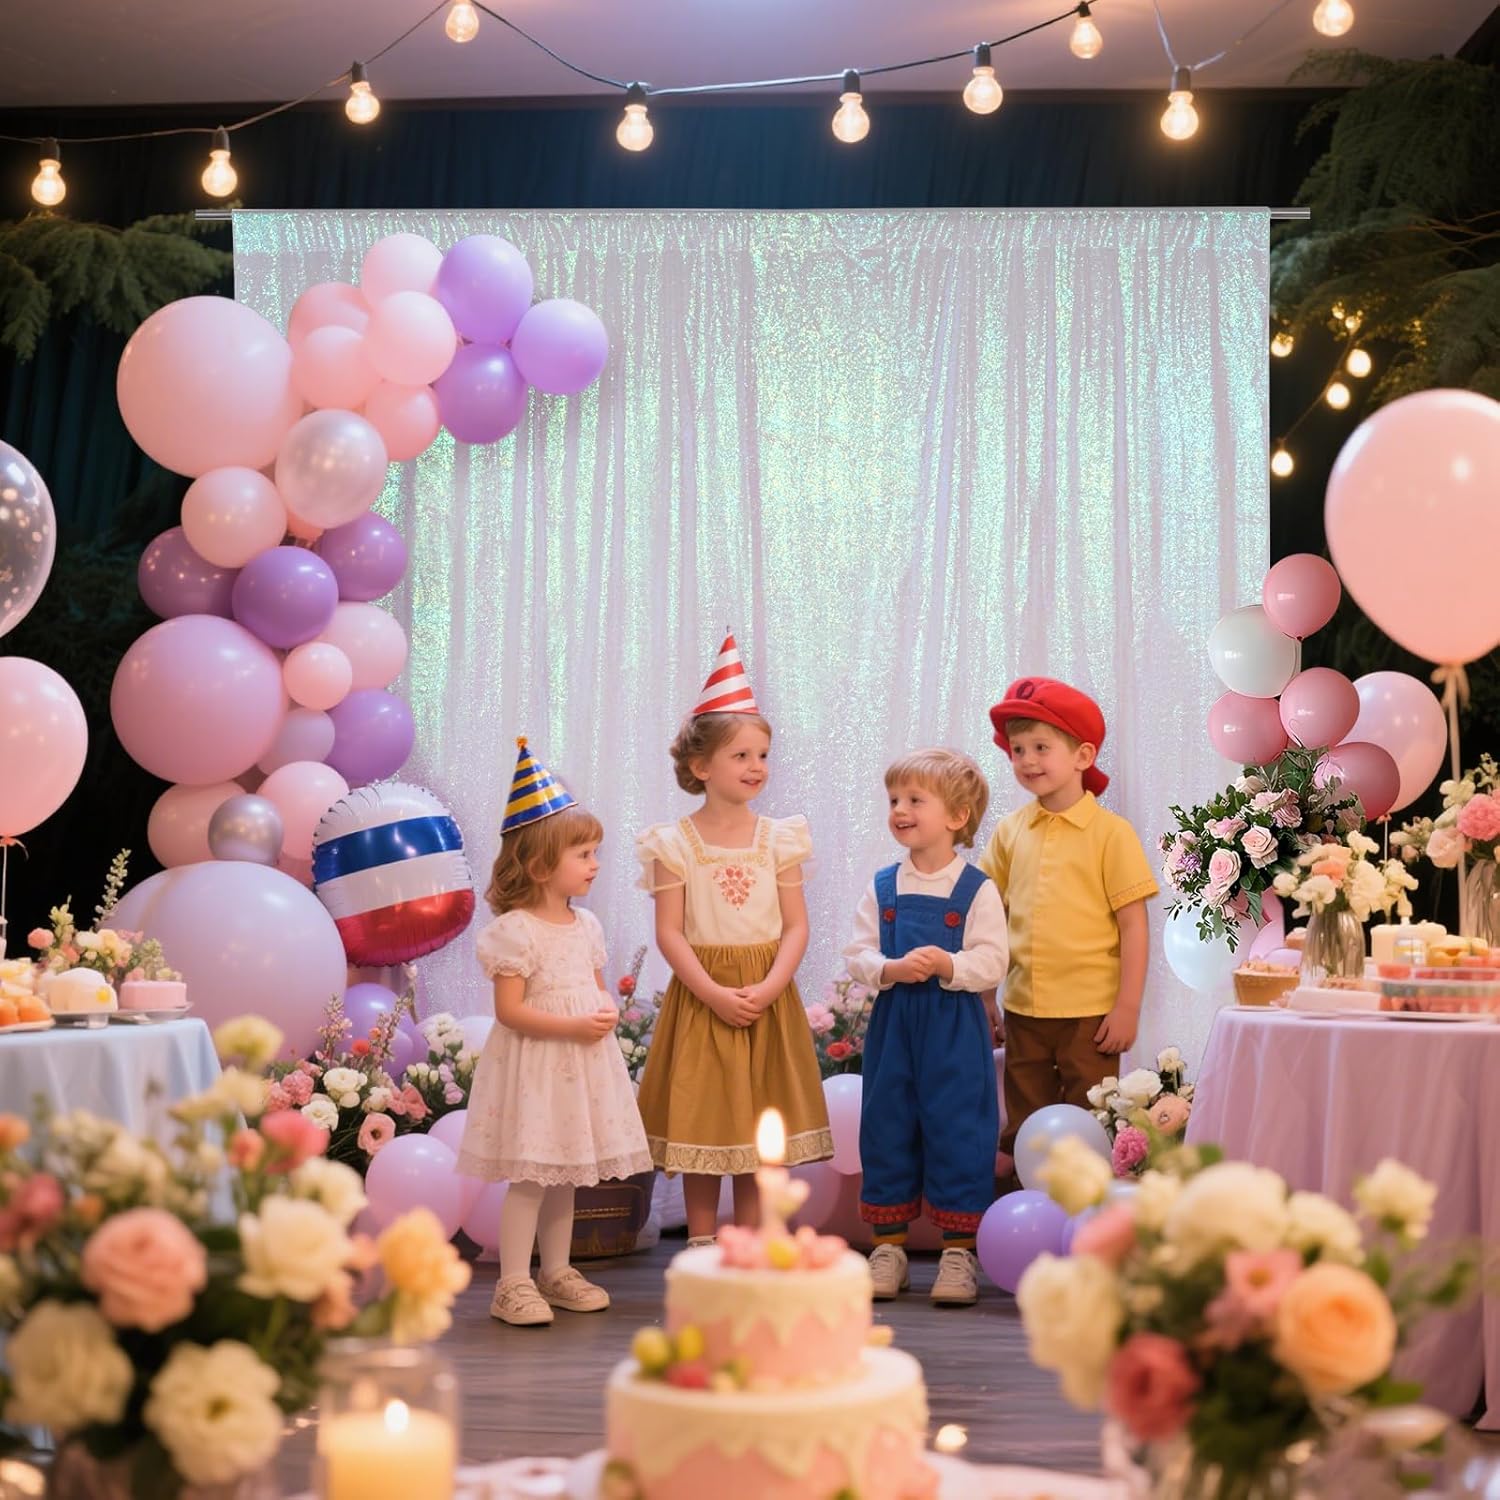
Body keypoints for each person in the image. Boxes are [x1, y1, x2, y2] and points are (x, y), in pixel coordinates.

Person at [635, 633, 832, 1245]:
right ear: (701, 767)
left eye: (762, 755)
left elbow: (796, 925)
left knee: (755, 1125)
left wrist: (769, 987)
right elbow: (670, 933)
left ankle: (749, 1241)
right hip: (705, 999)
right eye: (741, 755)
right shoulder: (673, 843)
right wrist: (714, 994)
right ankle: (701, 1242)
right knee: (705, 1122)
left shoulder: (780, 838)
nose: (756, 767)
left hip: (765, 997)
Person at [459, 737, 651, 1327]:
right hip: (538, 1069)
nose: (595, 863)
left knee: (568, 1172)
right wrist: (573, 1024)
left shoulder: (586, 925)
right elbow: (510, 1011)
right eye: (584, 854)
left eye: (595, 852)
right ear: (541, 864)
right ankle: (512, 1281)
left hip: (580, 1067)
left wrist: (605, 1011)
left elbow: (595, 987)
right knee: (532, 1176)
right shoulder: (516, 932)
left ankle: (557, 1270)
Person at [842, 748, 1009, 1306]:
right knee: (886, 1123)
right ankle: (887, 1249)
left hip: (954, 1025)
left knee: (959, 1127)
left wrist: (948, 965)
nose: (900, 810)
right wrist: (889, 969)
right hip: (896, 1024)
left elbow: (994, 960)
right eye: (894, 799)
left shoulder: (977, 889)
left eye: (915, 800)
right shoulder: (883, 886)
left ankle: (958, 1253)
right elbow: (858, 953)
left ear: (957, 817)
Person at [980, 678, 1157, 1165]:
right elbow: (990, 919)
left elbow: (1133, 925)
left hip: (1091, 1013)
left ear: (1083, 755)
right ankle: (1023, 1200)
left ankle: (1087, 1202)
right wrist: (986, 994)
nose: (1027, 760)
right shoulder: (1010, 831)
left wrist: (1127, 1007)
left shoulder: (1111, 833)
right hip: (1024, 1007)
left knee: (1091, 1118)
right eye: (1018, 750)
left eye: (1041, 747)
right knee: (1024, 1121)